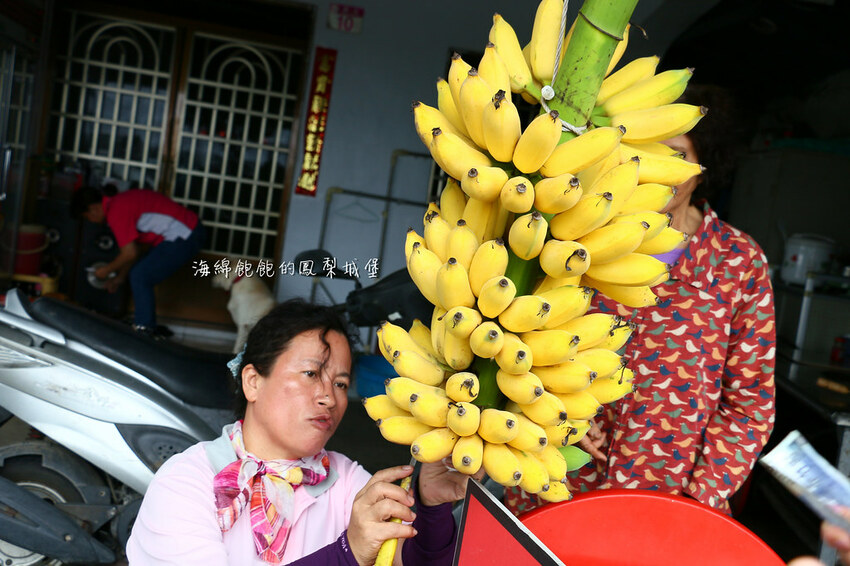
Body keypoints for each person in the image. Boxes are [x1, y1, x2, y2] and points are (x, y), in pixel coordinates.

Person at [506, 84, 777, 517]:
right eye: (648, 153)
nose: (661, 171)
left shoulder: (737, 262)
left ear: (706, 166)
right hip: (561, 479)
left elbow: (750, 401)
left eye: (678, 156)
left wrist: (699, 497)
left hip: (671, 504)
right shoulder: (576, 238)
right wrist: (559, 415)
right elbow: (524, 341)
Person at [126, 299, 475, 565]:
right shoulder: (187, 482)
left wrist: (431, 508)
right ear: (253, 382)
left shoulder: (346, 483)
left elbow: (407, 559)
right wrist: (346, 553)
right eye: (311, 374)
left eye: (340, 383)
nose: (329, 397)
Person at [70, 185, 205, 336]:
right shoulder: (119, 203)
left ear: (93, 209)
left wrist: (104, 271)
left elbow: (130, 253)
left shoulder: (116, 211)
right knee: (140, 273)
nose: (91, 221)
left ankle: (144, 329)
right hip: (184, 232)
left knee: (141, 276)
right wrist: (120, 277)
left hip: (186, 233)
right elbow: (135, 250)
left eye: (87, 217)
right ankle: (146, 325)